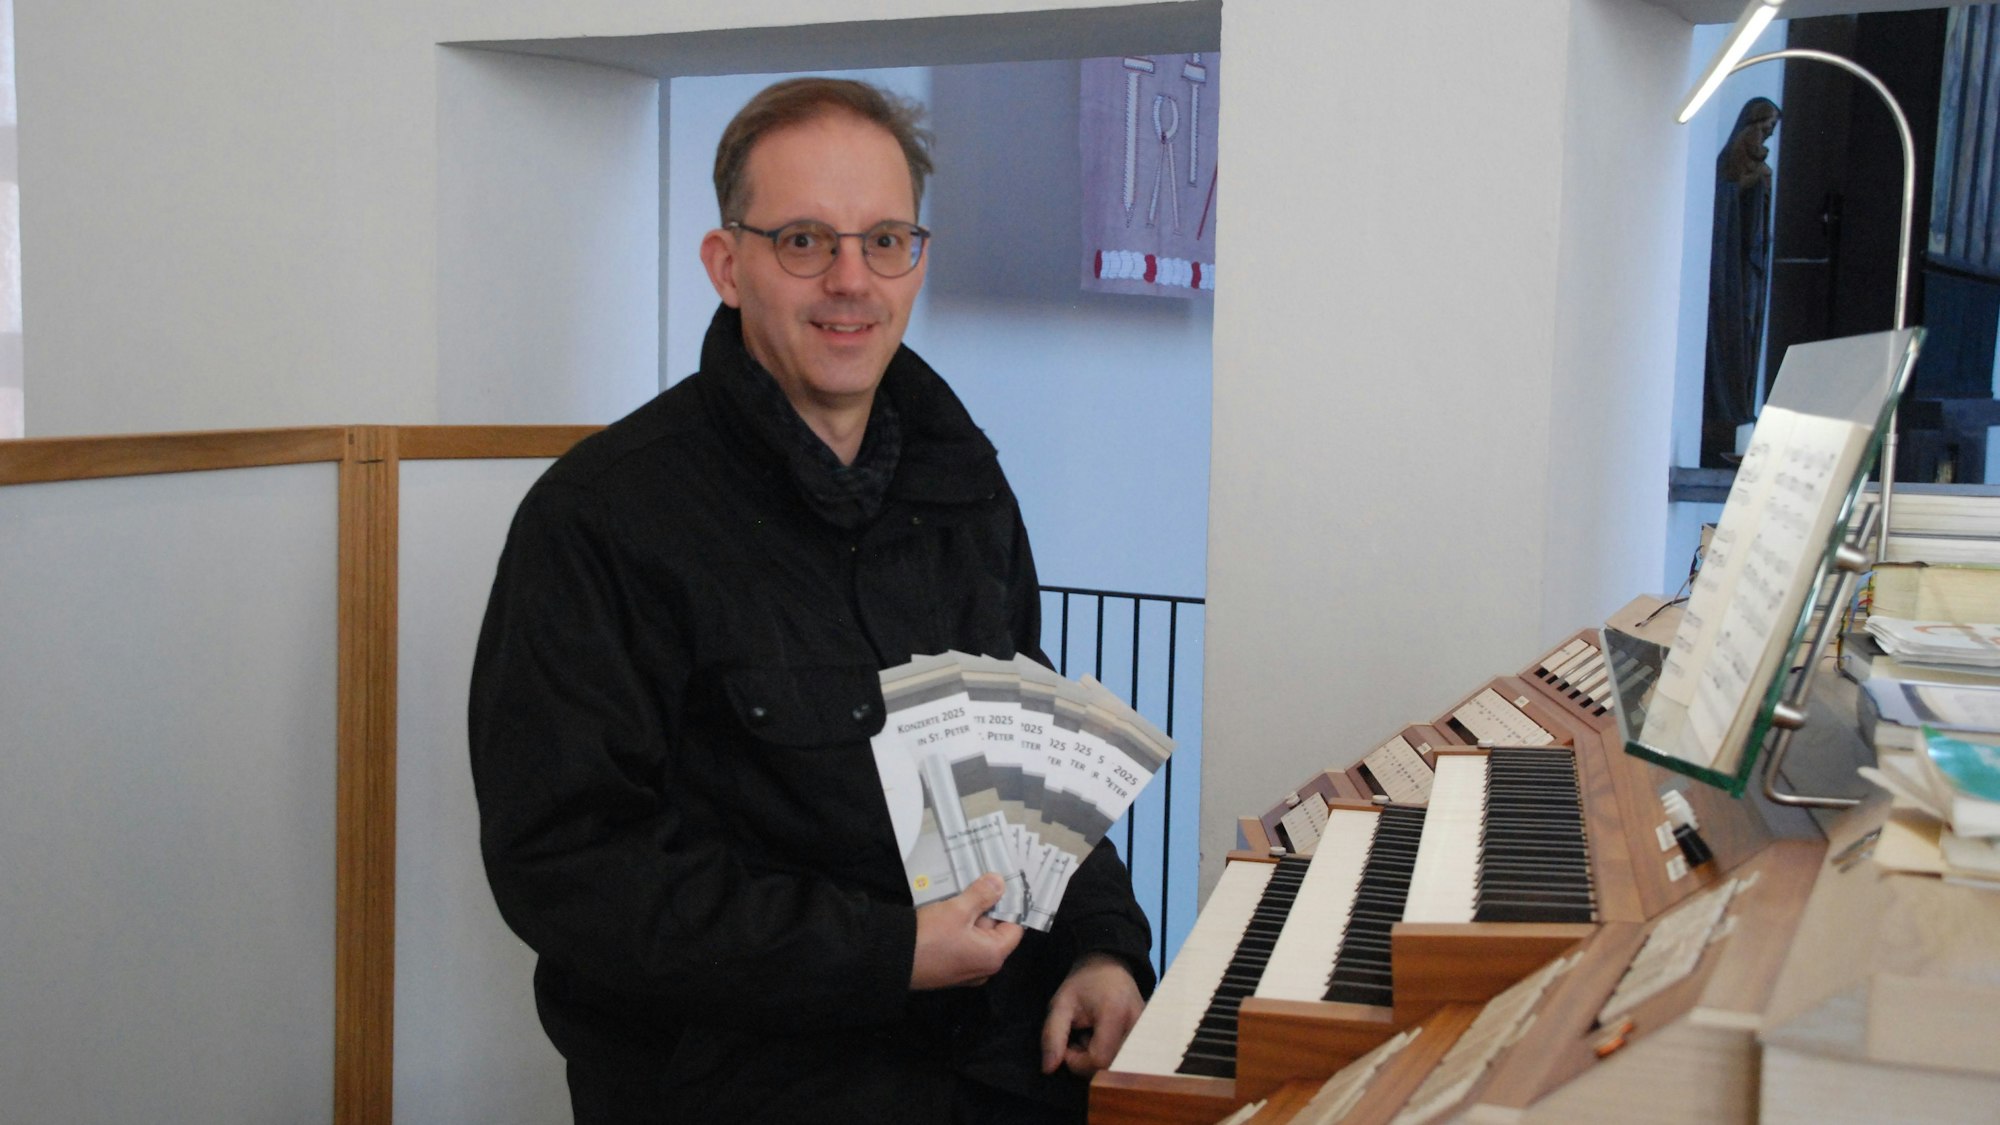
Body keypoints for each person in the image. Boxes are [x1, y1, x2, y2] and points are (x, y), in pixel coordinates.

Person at [468, 77, 1154, 1124]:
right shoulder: (598, 518)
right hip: (740, 1091)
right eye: (802, 241)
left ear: (915, 260)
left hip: (1001, 1075)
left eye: (884, 240)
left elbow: (1027, 773)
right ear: (726, 264)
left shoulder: (967, 484)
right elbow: (568, 870)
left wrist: (1103, 945)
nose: (850, 281)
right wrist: (889, 953)